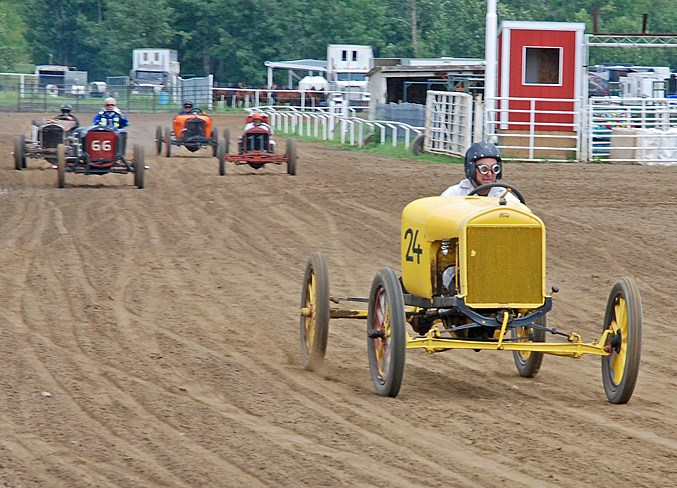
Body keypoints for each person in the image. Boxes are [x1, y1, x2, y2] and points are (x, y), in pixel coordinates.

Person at [440, 141, 519, 294]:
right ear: (470, 169)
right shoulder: (453, 195)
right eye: (483, 169)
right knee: (451, 276)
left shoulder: (506, 197)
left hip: (496, 259)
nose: (489, 174)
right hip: (459, 261)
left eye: (494, 169)